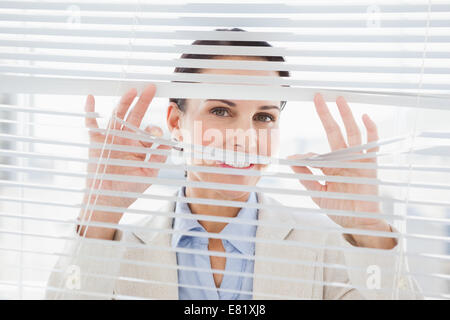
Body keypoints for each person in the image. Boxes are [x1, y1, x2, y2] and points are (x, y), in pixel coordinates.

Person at [46, 28, 422, 300]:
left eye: (264, 117)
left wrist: (370, 229)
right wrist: (99, 217)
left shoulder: (329, 251)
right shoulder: (110, 253)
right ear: (177, 123)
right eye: (222, 110)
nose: (246, 136)